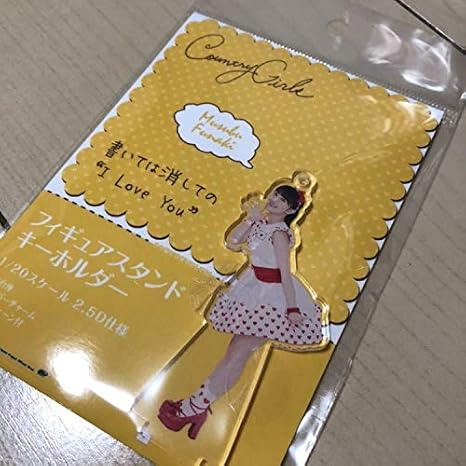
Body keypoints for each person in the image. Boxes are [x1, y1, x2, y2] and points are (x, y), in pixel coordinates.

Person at [158, 172, 325, 440]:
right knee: (235, 353)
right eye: (275, 195)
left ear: (291, 209)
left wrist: (292, 308)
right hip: (253, 288)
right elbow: (234, 242)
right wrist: (250, 218)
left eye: (282, 200)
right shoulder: (262, 225)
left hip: (273, 298)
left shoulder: (280, 234)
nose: (275, 200)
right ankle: (196, 406)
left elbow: (285, 271)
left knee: (238, 353)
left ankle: (194, 407)